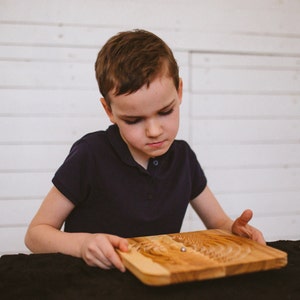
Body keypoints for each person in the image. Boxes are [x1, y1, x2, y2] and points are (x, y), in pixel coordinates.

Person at [25, 29, 265, 273]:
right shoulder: (90, 155)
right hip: (92, 284)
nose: (154, 131)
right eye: (133, 120)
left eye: (165, 111)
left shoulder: (183, 158)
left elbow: (218, 223)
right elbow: (35, 234)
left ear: (179, 92)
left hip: (160, 283)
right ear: (109, 110)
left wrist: (234, 230)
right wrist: (82, 244)